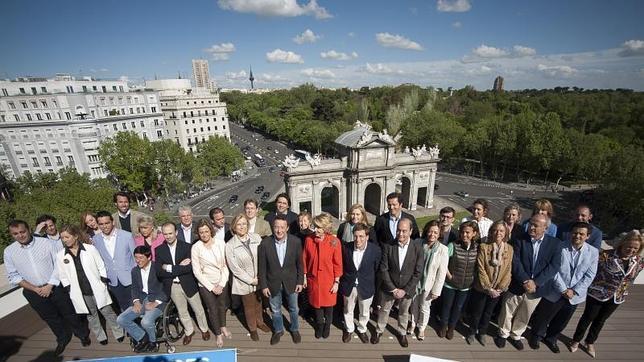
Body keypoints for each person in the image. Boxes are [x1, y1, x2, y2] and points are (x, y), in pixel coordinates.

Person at [4, 220, 90, 356]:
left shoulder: (46, 243)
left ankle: (81, 333)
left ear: (29, 230)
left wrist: (50, 285)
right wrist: (34, 288)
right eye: (15, 234)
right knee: (50, 317)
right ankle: (62, 337)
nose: (20, 235)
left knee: (69, 312)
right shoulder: (9, 252)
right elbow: (13, 276)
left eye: (22, 232)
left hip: (55, 286)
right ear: (11, 235)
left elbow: (58, 264)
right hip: (33, 292)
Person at [570, 230, 644, 358]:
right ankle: (576, 340)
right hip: (598, 292)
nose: (631, 250)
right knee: (588, 317)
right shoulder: (605, 255)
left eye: (635, 248)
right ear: (622, 243)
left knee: (601, 320)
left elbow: (631, 277)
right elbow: (591, 271)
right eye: (629, 246)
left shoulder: (639, 261)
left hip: (617, 296)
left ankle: (590, 342)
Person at [495, 214, 562, 350]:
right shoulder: (519, 239)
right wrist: (525, 280)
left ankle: (515, 335)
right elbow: (515, 261)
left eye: (536, 225)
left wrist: (535, 282)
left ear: (545, 228)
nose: (531, 227)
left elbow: (554, 266)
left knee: (525, 313)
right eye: (531, 224)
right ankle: (503, 334)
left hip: (537, 288)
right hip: (517, 284)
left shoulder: (555, 244)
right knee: (508, 310)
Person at [529, 222, 598, 353]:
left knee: (562, 320)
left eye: (581, 234)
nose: (577, 236)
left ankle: (551, 338)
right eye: (575, 233)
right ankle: (536, 336)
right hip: (555, 290)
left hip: (575, 295)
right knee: (544, 316)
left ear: (587, 236)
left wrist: (575, 290)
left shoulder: (593, 252)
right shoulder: (559, 246)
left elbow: (590, 275)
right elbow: (553, 269)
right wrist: (563, 289)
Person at [57, 224, 124, 346]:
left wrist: (103, 281)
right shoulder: (61, 255)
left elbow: (101, 265)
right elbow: (62, 275)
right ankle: (100, 335)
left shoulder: (90, 249)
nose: (64, 240)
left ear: (75, 236)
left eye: (67, 237)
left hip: (96, 287)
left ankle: (118, 331)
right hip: (80, 292)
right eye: (62, 237)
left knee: (107, 311)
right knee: (91, 315)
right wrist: (69, 288)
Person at [156, 223, 210, 346]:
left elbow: (190, 268)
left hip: (188, 284)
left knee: (198, 309)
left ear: (176, 233)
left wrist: (168, 268)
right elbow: (159, 272)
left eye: (170, 233)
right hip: (173, 286)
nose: (168, 236)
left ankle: (204, 329)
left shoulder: (187, 247)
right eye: (165, 234)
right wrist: (179, 267)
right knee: (182, 311)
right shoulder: (159, 250)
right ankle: (189, 331)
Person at [372, 218, 424, 348]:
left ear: (411, 231)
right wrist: (393, 289)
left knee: (404, 312)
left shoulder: (417, 248)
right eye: (398, 230)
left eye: (404, 231)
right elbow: (383, 269)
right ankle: (379, 330)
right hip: (389, 288)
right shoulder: (388, 246)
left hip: (407, 290)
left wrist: (405, 290)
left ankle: (402, 332)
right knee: (384, 310)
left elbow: (418, 272)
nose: (400, 234)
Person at [257, 215, 304, 345]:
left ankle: (294, 329)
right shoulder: (265, 243)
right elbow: (262, 267)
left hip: (292, 282)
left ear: (287, 228)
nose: (279, 230)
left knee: (294, 309)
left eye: (282, 227)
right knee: (275, 310)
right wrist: (264, 285)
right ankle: (278, 330)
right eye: (276, 227)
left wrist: (300, 281)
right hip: (272, 283)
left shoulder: (295, 242)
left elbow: (300, 264)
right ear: (273, 227)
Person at [466, 221, 513, 346]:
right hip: (482, 288)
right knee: (477, 312)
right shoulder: (484, 247)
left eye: (501, 231)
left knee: (488, 313)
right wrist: (488, 288)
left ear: (505, 233)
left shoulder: (509, 249)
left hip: (497, 290)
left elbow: (508, 270)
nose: (498, 233)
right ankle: (471, 331)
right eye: (496, 230)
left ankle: (482, 332)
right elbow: (480, 268)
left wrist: (500, 288)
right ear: (491, 232)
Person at [225, 214, 271, 341]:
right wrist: (251, 280)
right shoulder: (230, 245)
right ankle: (253, 328)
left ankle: (260, 322)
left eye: (244, 224)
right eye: (239, 224)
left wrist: (261, 275)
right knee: (249, 306)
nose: (242, 226)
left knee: (259, 302)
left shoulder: (256, 237)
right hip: (244, 281)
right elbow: (235, 268)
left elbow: (264, 256)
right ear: (234, 227)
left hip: (259, 277)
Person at [117, 245, 168, 353]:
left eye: (141, 258)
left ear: (149, 257)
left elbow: (167, 287)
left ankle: (153, 342)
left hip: (157, 300)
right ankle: (143, 338)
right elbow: (134, 288)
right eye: (136, 257)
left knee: (146, 321)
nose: (137, 260)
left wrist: (156, 302)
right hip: (141, 299)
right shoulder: (135, 271)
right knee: (121, 319)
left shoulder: (158, 268)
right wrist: (136, 302)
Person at [303, 213, 343, 339]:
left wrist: (336, 282)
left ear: (325, 228)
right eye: (315, 226)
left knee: (329, 308)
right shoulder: (309, 240)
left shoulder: (334, 242)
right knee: (316, 306)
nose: (316, 230)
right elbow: (304, 259)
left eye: (319, 227)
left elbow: (338, 264)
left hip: (329, 281)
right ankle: (320, 325)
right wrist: (304, 276)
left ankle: (327, 326)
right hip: (313, 280)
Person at [339, 223, 381, 344]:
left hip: (366, 285)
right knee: (348, 309)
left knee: (364, 311)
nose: (358, 239)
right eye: (356, 236)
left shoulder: (375, 250)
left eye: (361, 236)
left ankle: (362, 329)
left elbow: (377, 269)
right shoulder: (346, 248)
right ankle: (349, 328)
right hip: (349, 285)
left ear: (367, 236)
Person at [191, 218, 230, 348]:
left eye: (206, 231)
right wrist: (212, 287)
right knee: (212, 309)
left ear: (210, 231)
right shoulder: (196, 247)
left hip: (221, 281)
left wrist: (221, 283)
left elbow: (225, 265)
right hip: (206, 284)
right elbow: (197, 272)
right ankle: (218, 333)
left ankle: (223, 326)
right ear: (198, 233)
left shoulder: (220, 243)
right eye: (201, 232)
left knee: (222, 306)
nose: (204, 234)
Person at [439, 221, 479, 340]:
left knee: (458, 308)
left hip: (466, 285)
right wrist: (449, 276)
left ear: (474, 233)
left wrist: (473, 277)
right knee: (447, 306)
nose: (464, 235)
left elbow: (478, 266)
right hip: (450, 284)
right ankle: (443, 326)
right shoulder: (453, 245)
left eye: (467, 232)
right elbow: (444, 263)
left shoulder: (477, 248)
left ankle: (451, 328)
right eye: (462, 232)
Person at [409, 220, 448, 340]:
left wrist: (437, 290)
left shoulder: (443, 249)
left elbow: (442, 272)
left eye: (435, 232)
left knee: (425, 307)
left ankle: (421, 328)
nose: (432, 234)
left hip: (429, 284)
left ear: (439, 234)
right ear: (426, 231)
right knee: (414, 304)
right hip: (415, 281)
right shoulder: (417, 243)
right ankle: (413, 324)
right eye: (430, 231)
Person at [92, 210, 137, 312]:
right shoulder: (96, 240)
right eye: (101, 224)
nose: (104, 226)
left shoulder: (127, 236)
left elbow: (136, 258)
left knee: (136, 307)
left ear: (112, 222)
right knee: (124, 308)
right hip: (112, 281)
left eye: (107, 223)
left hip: (130, 278)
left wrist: (135, 275)